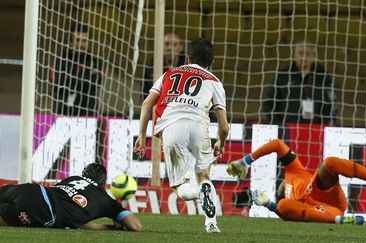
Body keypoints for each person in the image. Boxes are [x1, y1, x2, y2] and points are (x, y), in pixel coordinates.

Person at [134, 39, 229, 233]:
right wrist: (221, 141)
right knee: (204, 176)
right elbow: (224, 126)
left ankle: (197, 193)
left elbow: (147, 104)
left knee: (181, 189)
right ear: (212, 62)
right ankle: (211, 223)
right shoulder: (214, 81)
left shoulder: (169, 74)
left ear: (188, 57)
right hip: (198, 126)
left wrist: (142, 136)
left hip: (172, 126)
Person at [226, 139, 366, 224]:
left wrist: (245, 161)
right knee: (284, 205)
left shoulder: (292, 170)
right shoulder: (286, 201)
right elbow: (287, 214)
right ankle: (341, 221)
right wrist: (269, 204)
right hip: (323, 211)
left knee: (330, 163)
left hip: (323, 192)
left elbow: (278, 144)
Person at [0, 163, 141, 231]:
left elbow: (75, 218)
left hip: (32, 189)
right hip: (43, 210)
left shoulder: (72, 179)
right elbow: (136, 226)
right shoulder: (107, 202)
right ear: (103, 182)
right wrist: (115, 218)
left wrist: (106, 226)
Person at [263, 42, 336, 133]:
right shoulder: (283, 76)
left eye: (307, 54)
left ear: (313, 57)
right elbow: (270, 103)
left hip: (315, 130)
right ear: (295, 56)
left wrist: (324, 127)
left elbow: (330, 105)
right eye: (300, 53)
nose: (303, 57)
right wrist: (278, 125)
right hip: (287, 130)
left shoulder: (323, 77)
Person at [51, 23, 104, 116]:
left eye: (84, 41)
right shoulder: (59, 61)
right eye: (78, 40)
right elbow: (57, 85)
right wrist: (85, 77)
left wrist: (69, 79)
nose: (81, 44)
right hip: (63, 113)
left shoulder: (96, 62)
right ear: (71, 42)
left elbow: (96, 83)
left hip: (89, 115)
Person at [142, 33, 187, 99]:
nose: (170, 48)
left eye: (174, 45)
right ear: (161, 46)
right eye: (166, 44)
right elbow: (145, 92)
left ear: (180, 48)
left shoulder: (187, 65)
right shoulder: (151, 66)